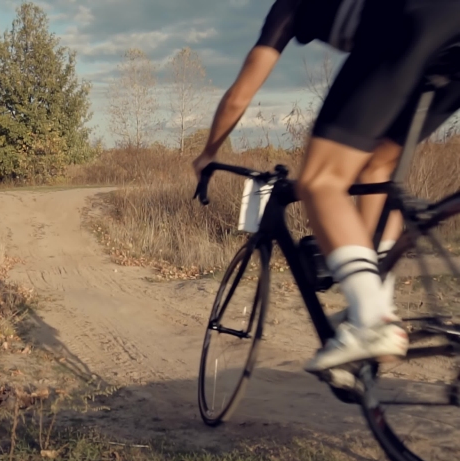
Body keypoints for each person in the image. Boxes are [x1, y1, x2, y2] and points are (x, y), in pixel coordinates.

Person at [192, 0, 460, 376]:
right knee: (376, 169)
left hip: (409, 25)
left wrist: (208, 154)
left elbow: (240, 94)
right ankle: (373, 308)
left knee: (321, 179)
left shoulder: (288, 7)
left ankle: (371, 321)